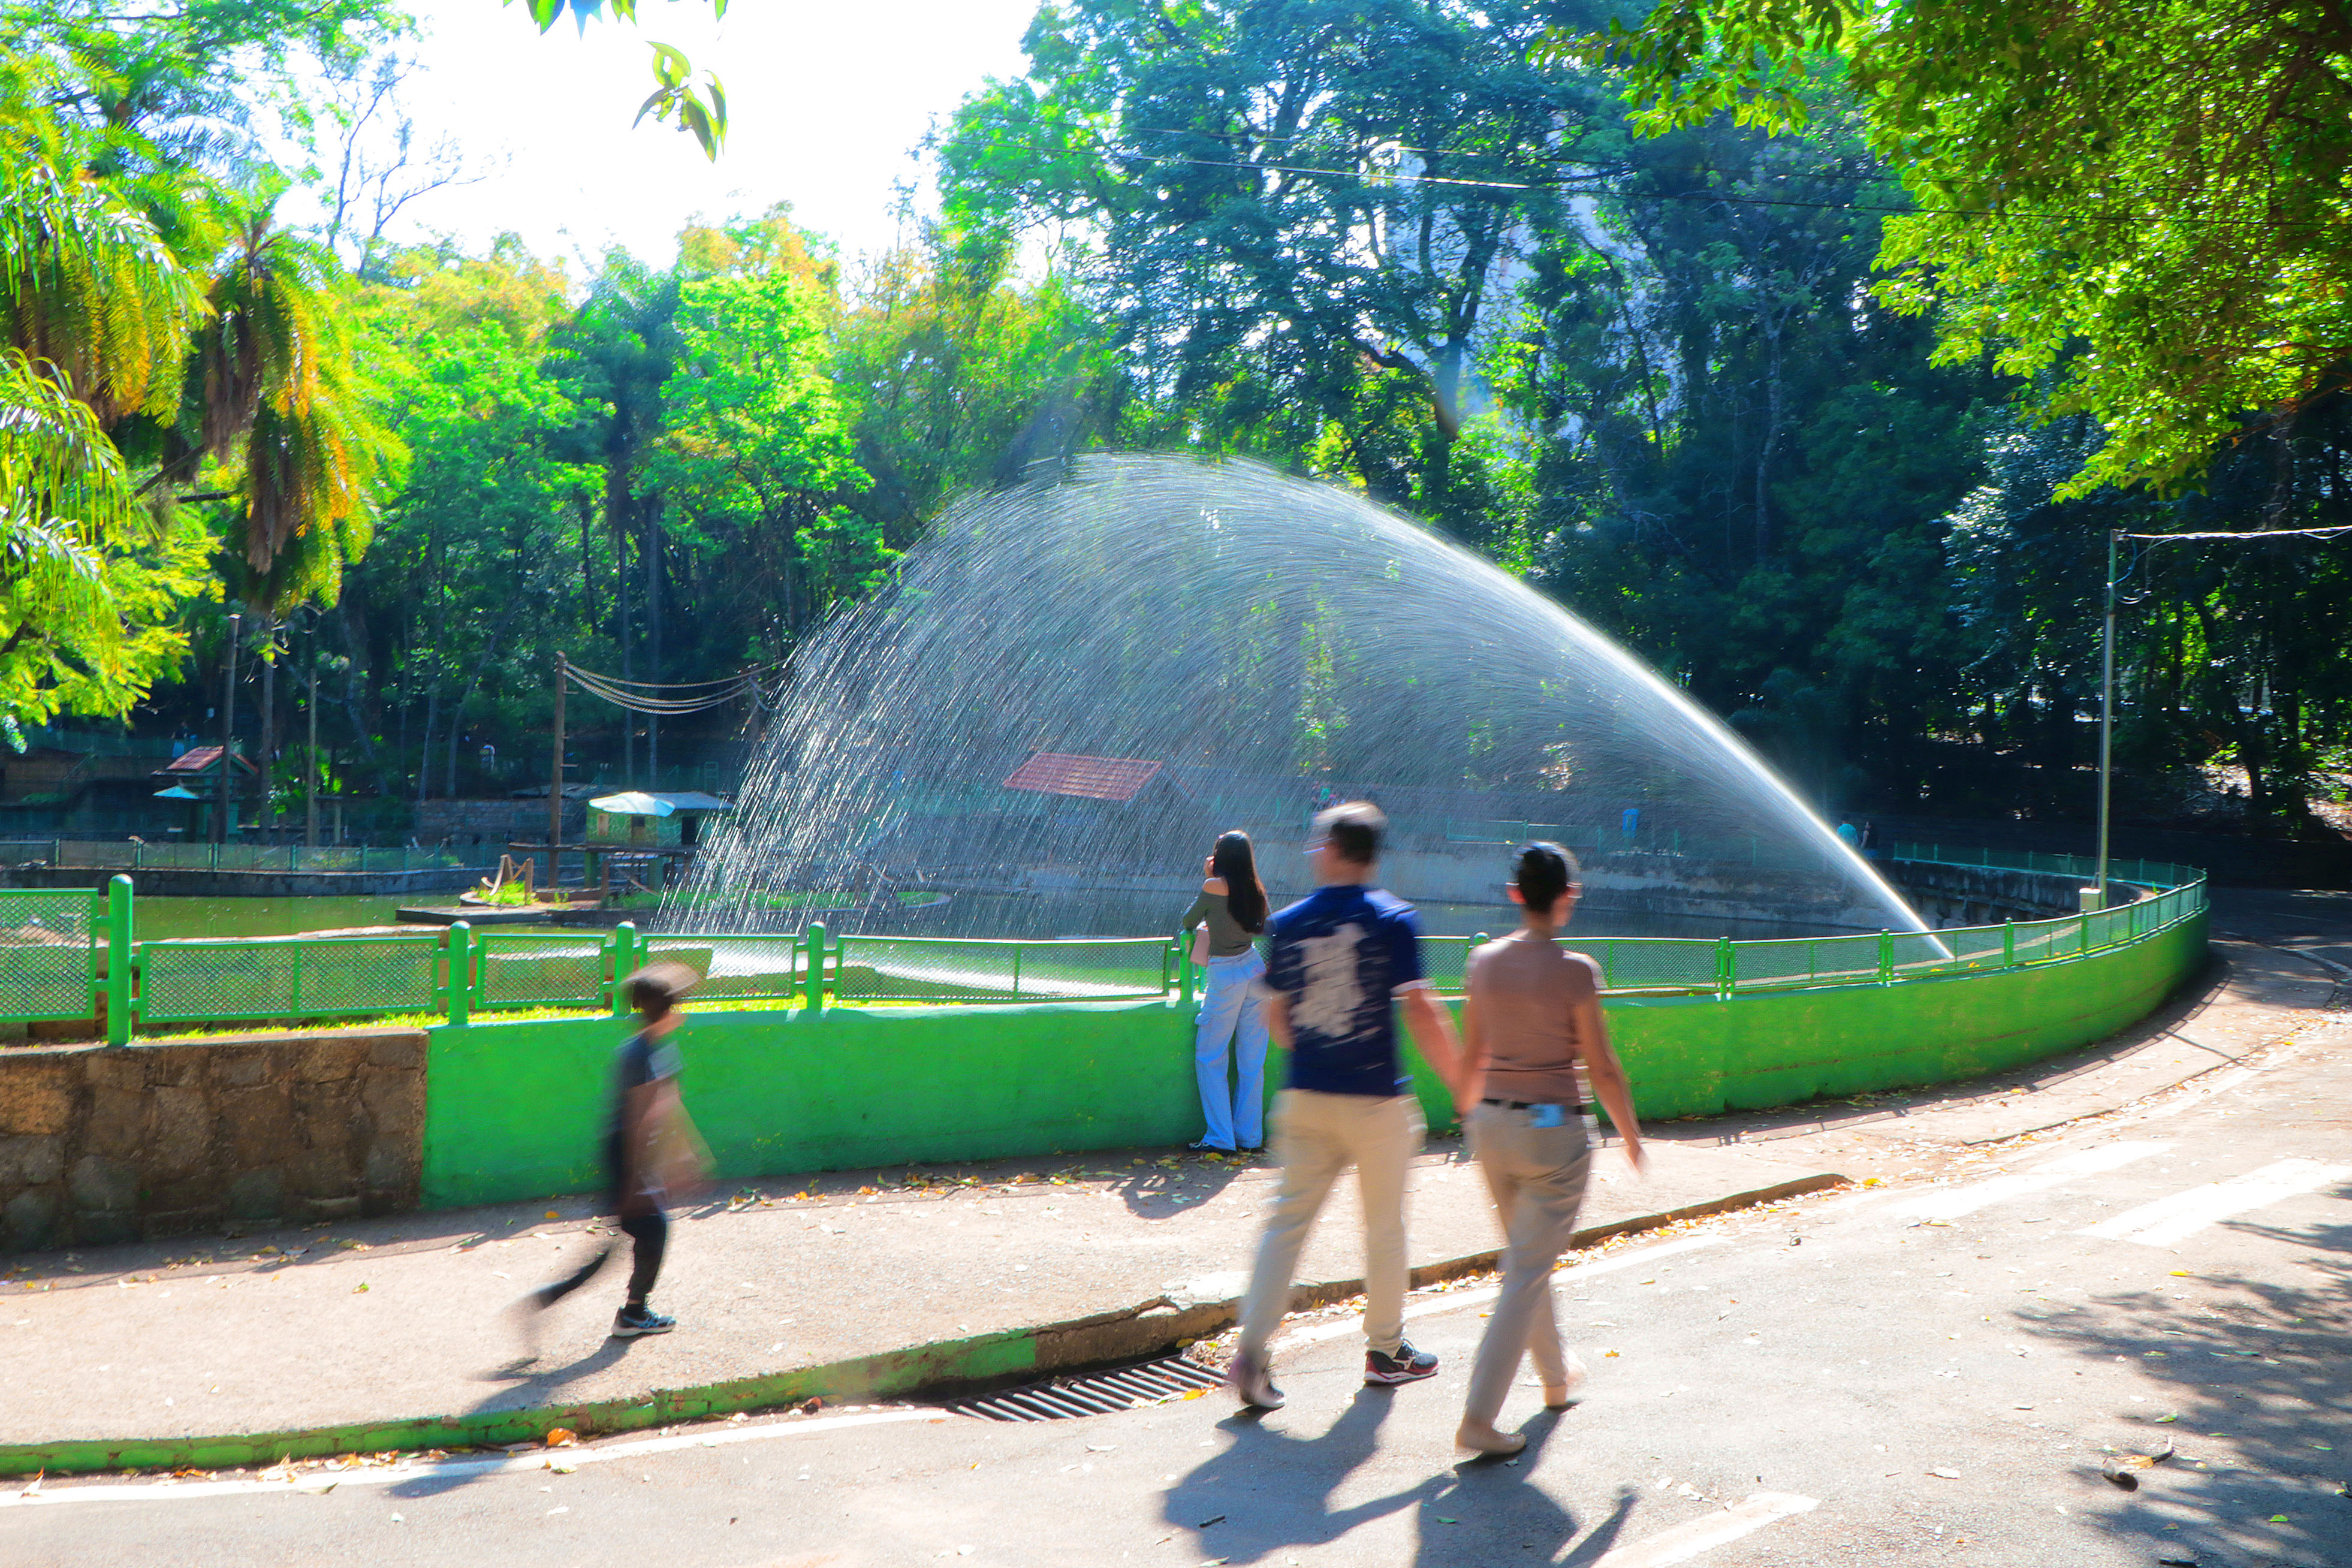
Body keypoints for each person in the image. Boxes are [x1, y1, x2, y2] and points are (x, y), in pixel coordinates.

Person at [1228, 800, 1463, 1408]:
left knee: (1286, 1227)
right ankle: (1386, 1352)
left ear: (1336, 849)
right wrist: (1466, 1087)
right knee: (1384, 1229)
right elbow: (1422, 1012)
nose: (1309, 850)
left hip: (1305, 1096)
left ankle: (1252, 1354)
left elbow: (1278, 1026)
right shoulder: (1394, 920)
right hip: (1376, 1103)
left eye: (1315, 841)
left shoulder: (1289, 923)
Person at [1452, 842, 1645, 1455]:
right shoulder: (1576, 971)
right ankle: (1478, 1419)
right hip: (1554, 1135)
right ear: (1568, 897)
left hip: (1492, 1129)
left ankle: (1556, 1379)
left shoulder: (1482, 963)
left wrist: (1474, 1126)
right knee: (1527, 1271)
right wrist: (1632, 1134)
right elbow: (1603, 1067)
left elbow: (1472, 1057)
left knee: (1527, 1263)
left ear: (1514, 895)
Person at [516, 962, 705, 1341]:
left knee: (625, 1239)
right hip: (627, 1155)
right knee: (648, 1232)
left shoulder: (652, 1048)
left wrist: (684, 1155)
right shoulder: (640, 1055)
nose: (683, 1012)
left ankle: (552, 1303)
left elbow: (669, 1105)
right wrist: (635, 1181)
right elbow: (638, 1120)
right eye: (680, 1005)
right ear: (666, 1011)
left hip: (636, 1156)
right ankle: (631, 1313)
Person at [1180, 830, 1272, 1153]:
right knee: (1251, 1061)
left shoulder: (1212, 886)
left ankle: (1220, 1137)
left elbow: (1189, 920)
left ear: (1221, 858)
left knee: (1210, 1055)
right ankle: (1249, 1137)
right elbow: (1263, 927)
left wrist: (1210, 877)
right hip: (1255, 968)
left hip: (1227, 972)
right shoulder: (1256, 888)